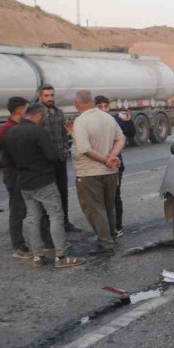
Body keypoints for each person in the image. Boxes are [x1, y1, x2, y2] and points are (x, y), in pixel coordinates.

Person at [1, 103, 83, 268]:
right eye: (44, 116)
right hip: (43, 180)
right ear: (38, 115)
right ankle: (60, 257)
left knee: (32, 218)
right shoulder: (39, 132)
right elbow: (52, 156)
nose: (45, 119)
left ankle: (38, 256)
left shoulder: (11, 132)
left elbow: (7, 161)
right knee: (55, 216)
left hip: (24, 182)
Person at [0, 97, 55, 259]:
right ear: (19, 111)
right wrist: (7, 162)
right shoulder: (8, 127)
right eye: (26, 108)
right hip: (14, 174)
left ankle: (48, 243)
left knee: (38, 207)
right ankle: (18, 246)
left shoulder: (20, 127)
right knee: (19, 210)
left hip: (26, 174)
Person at [71, 90, 125, 253]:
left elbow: (84, 149)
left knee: (95, 209)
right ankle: (112, 235)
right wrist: (113, 156)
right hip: (109, 172)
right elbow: (121, 137)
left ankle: (106, 242)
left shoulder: (80, 122)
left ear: (76, 104)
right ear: (93, 103)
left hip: (89, 174)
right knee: (108, 206)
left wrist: (105, 159)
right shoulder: (107, 117)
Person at [37, 85, 82, 233]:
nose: (50, 98)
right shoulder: (37, 114)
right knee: (47, 194)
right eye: (46, 95)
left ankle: (64, 222)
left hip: (60, 160)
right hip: (44, 162)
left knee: (63, 191)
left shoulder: (58, 112)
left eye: (51, 95)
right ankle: (48, 226)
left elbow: (63, 134)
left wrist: (65, 150)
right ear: (40, 97)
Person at [94, 96, 135, 237]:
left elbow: (130, 133)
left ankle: (118, 226)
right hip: (96, 168)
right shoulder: (90, 122)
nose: (104, 109)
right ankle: (104, 228)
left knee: (115, 197)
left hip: (115, 167)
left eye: (106, 106)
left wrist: (128, 122)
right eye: (100, 106)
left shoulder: (116, 120)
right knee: (99, 199)